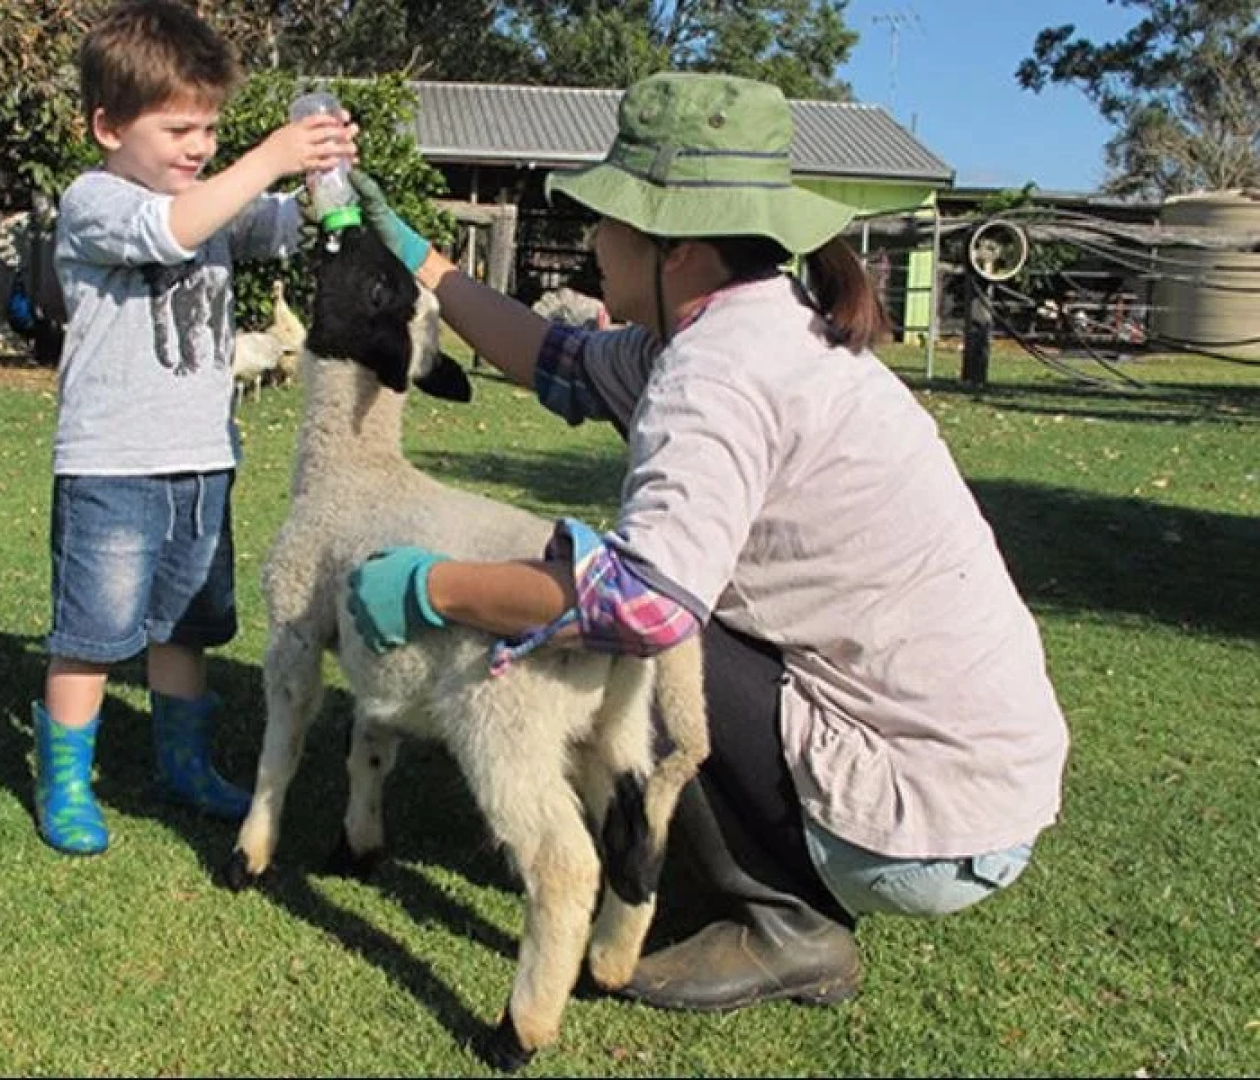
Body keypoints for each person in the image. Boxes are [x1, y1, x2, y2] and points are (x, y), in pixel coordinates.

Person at [343, 71, 1070, 1011]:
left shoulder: (720, 374)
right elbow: (550, 358)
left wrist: (433, 588)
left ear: (673, 244)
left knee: (635, 620)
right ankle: (744, 873)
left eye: (611, 217)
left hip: (922, 820)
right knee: (642, 603)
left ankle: (785, 921)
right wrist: (425, 265)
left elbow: (638, 605)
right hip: (981, 791)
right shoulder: (744, 326)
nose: (593, 239)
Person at [32, 0, 358, 856]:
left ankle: (183, 761)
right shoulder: (95, 201)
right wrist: (267, 157)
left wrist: (327, 175)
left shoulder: (206, 197)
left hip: (202, 461)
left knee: (187, 624)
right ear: (106, 125)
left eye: (210, 129)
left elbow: (283, 223)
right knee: (91, 635)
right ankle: (66, 779)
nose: (200, 147)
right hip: (109, 465)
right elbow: (173, 233)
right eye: (179, 128)